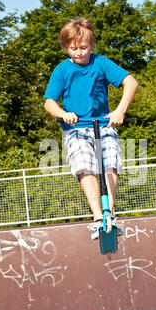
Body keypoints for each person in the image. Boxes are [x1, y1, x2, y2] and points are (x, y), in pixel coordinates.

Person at [44, 17, 138, 239]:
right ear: (66, 47)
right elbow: (49, 102)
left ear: (92, 45)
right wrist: (63, 114)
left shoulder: (101, 63)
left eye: (84, 48)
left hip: (104, 124)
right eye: (73, 48)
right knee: (84, 165)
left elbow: (131, 82)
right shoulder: (62, 70)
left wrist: (119, 111)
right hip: (76, 128)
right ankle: (98, 217)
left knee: (110, 163)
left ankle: (110, 215)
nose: (79, 53)